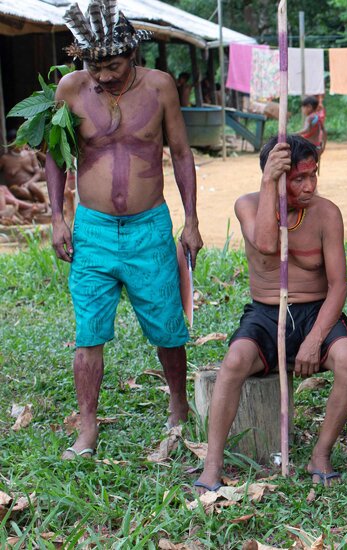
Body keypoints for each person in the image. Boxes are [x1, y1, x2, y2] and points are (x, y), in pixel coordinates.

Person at [46, 0, 203, 459]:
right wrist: (58, 217)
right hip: (92, 230)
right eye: (95, 65)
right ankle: (87, 426)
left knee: (168, 326)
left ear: (132, 55)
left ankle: (177, 405)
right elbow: (55, 156)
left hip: (149, 228)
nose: (104, 76)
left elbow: (181, 153)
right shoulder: (70, 90)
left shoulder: (160, 88)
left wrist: (191, 220)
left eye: (113, 65)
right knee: (88, 330)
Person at [193, 135, 347, 492]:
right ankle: (213, 463)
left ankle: (320, 454)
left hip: (316, 311)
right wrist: (269, 181)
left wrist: (315, 338)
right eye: (298, 178)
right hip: (268, 313)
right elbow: (268, 243)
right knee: (235, 361)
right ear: (274, 176)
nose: (309, 186)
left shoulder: (327, 213)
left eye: (313, 175)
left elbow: (339, 286)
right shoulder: (248, 205)